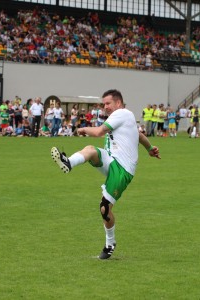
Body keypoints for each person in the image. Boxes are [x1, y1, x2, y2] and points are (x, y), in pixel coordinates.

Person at [50, 89, 160, 260]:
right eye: (104, 104)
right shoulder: (125, 119)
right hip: (111, 160)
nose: (105, 107)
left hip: (123, 168)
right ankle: (68, 163)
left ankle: (110, 243)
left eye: (108, 103)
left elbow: (100, 132)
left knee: (104, 209)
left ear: (118, 103)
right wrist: (149, 149)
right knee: (90, 150)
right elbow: (139, 135)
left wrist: (82, 128)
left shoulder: (123, 113)